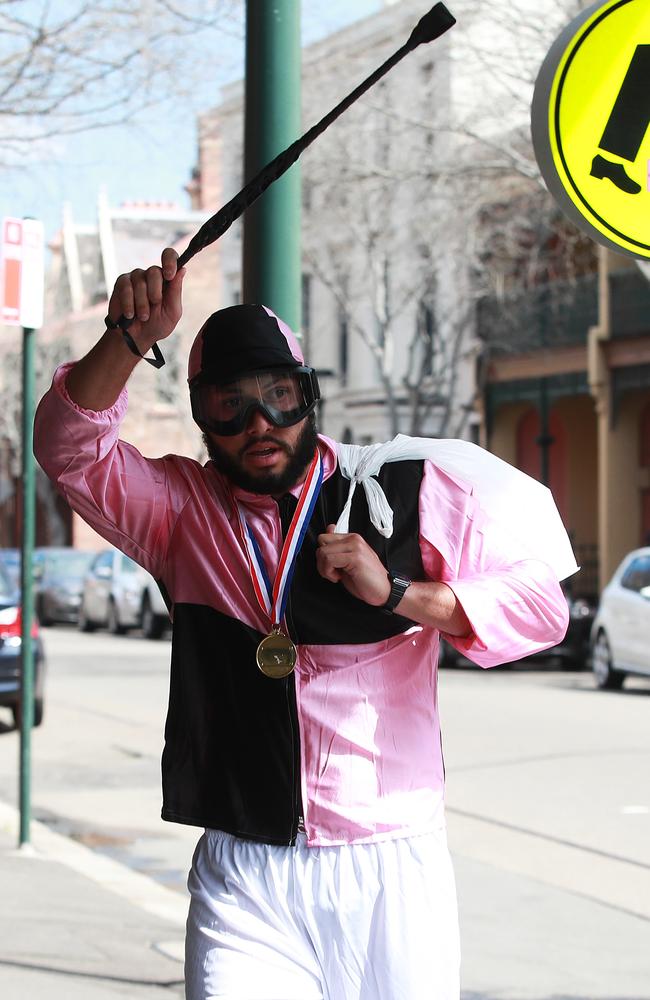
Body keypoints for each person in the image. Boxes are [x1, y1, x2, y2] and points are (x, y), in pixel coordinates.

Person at [34, 247, 571, 1000]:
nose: (259, 423)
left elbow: (542, 609)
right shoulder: (180, 512)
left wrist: (398, 594)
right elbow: (68, 451)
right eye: (229, 404)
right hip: (245, 869)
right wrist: (125, 340)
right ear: (201, 416)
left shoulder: (399, 489)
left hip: (390, 862)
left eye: (278, 395)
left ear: (308, 397)